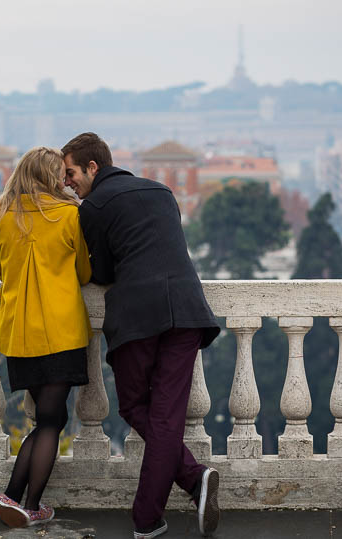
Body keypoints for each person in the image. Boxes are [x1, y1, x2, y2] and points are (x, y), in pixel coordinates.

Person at [61, 132, 222, 539]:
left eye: (71, 173)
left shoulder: (93, 206)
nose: (67, 183)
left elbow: (102, 273)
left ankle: (148, 517)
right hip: (185, 309)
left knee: (135, 405)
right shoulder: (162, 191)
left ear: (93, 167)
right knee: (166, 413)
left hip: (136, 316)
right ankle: (192, 481)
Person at [0, 146, 93, 528]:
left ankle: (15, 498)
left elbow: (0, 270)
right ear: (52, 177)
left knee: (45, 419)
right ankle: (25, 503)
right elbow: (83, 270)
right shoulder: (70, 216)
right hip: (61, 331)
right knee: (51, 420)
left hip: (20, 334)